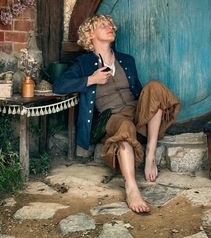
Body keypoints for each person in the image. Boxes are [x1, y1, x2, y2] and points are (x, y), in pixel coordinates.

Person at [53, 14, 180, 213]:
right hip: (112, 117)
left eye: (110, 25)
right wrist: (91, 79)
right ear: (90, 34)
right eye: (103, 25)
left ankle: (150, 155)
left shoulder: (126, 60)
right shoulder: (84, 63)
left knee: (154, 87)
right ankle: (131, 187)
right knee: (123, 127)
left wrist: (149, 103)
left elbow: (141, 91)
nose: (110, 27)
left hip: (135, 113)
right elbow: (59, 85)